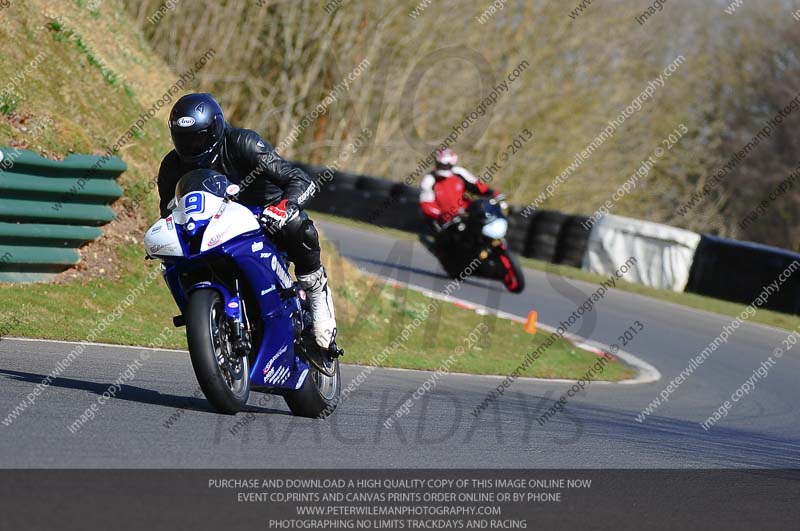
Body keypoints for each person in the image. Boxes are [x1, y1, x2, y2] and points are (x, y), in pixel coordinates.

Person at [156, 93, 337, 352]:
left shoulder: (242, 142)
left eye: (199, 137)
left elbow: (298, 179)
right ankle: (209, 318)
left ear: (216, 129)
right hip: (214, 228)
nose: (192, 146)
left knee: (297, 224)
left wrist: (284, 207)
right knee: (174, 259)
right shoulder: (171, 166)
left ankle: (318, 297)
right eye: (185, 139)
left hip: (266, 218)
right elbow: (169, 212)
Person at [419, 149, 503, 227]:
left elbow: (477, 186)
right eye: (440, 165)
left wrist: (493, 193)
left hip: (467, 214)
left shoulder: (459, 173)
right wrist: (442, 216)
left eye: (445, 165)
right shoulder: (429, 179)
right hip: (447, 222)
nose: (443, 167)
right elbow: (427, 205)